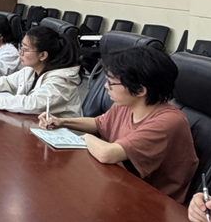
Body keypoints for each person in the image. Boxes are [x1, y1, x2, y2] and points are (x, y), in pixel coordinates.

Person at [39, 46, 198, 202]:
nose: (106, 86)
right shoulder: (127, 104)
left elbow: (107, 153)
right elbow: (98, 123)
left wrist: (85, 138)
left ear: (140, 90)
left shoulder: (167, 122)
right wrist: (62, 122)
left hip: (154, 202)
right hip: (121, 185)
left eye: (111, 83)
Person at [0, 26, 81, 116]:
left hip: (61, 136)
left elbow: (32, 104)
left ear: (42, 55)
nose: (20, 52)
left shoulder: (61, 81)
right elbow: (9, 81)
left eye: (25, 49)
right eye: (21, 47)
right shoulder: (32, 69)